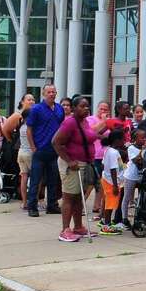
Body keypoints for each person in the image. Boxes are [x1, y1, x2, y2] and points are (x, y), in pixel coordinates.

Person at [52, 96, 99, 242]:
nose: (86, 108)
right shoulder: (70, 123)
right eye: (82, 106)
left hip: (84, 163)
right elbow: (56, 142)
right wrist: (69, 160)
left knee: (79, 197)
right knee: (69, 196)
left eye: (87, 106)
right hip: (71, 165)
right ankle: (65, 230)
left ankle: (78, 227)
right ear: (74, 108)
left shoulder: (84, 122)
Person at [25, 83, 65, 217]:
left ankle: (52, 205)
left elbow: (62, 128)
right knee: (36, 180)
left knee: (53, 179)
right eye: (49, 92)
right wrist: (33, 147)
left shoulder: (59, 109)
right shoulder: (36, 109)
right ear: (43, 94)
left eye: (54, 92)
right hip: (40, 150)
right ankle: (32, 206)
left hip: (54, 151)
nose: (52, 94)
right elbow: (29, 129)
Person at [2, 93, 36, 204]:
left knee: (24, 174)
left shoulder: (33, 115)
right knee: (24, 174)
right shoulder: (17, 116)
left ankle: (24, 198)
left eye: (33, 99)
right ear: (22, 102)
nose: (31, 101)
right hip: (20, 148)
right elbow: (5, 130)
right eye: (29, 99)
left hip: (24, 149)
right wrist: (11, 141)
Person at [98, 128, 126, 235]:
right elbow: (113, 169)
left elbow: (104, 164)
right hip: (111, 182)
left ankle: (106, 222)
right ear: (117, 140)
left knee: (110, 203)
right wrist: (115, 185)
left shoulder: (109, 150)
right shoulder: (113, 153)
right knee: (109, 205)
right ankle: (106, 226)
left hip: (108, 180)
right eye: (123, 140)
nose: (124, 142)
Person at [119, 128, 146, 231]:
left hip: (142, 176)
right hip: (131, 175)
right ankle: (124, 219)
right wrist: (143, 151)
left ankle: (141, 216)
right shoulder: (131, 148)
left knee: (142, 196)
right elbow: (136, 160)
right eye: (142, 138)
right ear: (135, 139)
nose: (144, 139)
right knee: (127, 197)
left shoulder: (145, 148)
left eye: (145, 137)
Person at [87, 101, 113, 216]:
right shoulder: (90, 119)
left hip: (106, 155)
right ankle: (80, 204)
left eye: (106, 109)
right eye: (101, 109)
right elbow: (91, 132)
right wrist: (103, 121)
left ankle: (97, 205)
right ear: (97, 109)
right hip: (95, 155)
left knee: (102, 183)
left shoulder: (110, 121)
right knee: (91, 183)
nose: (103, 111)